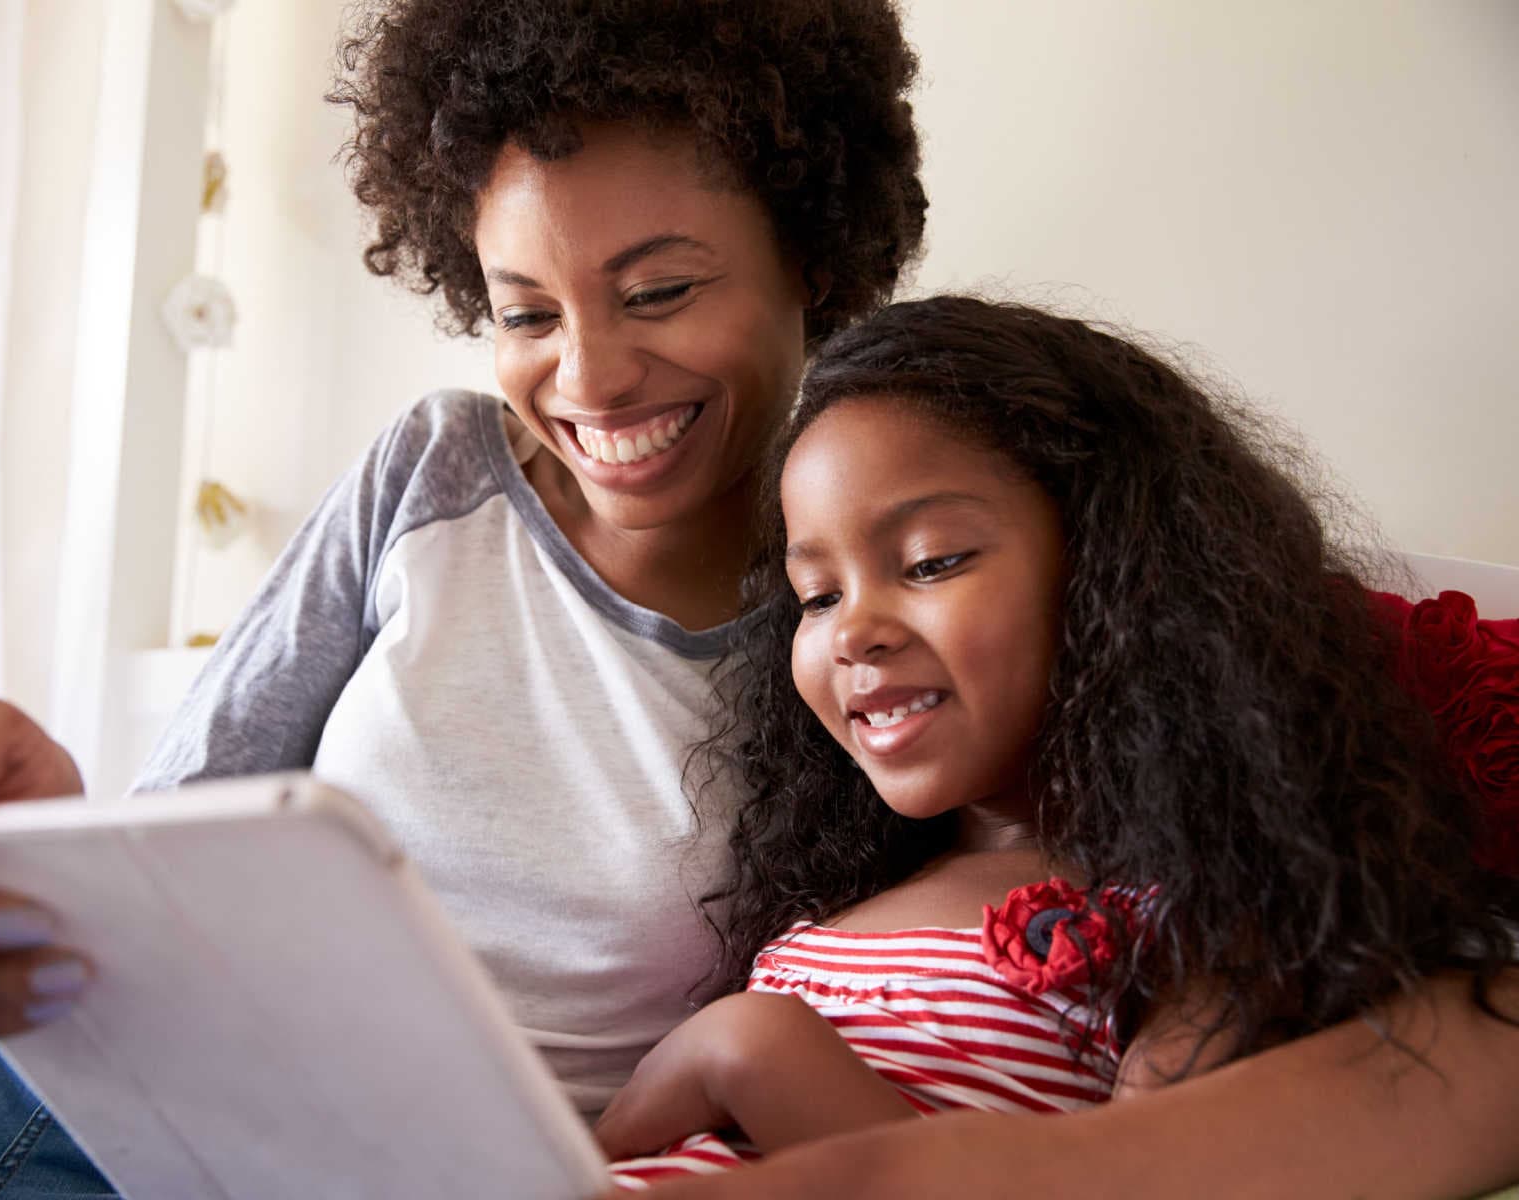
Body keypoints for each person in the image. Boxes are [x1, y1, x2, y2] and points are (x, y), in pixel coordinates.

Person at [0, 3, 1514, 1198]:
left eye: (658, 288)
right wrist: (56, 850)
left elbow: (1224, 689)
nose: (588, 376)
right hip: (41, 1083)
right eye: (522, 308)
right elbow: (180, 842)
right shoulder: (430, 472)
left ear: (813, 255)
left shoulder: (897, 665)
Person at [590, 297, 1519, 1190]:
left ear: (1114, 578)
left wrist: (755, 1053)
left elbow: (1126, 1180)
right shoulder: (826, 915)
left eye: (929, 562)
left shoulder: (1196, 923)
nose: (851, 631)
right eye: (817, 595)